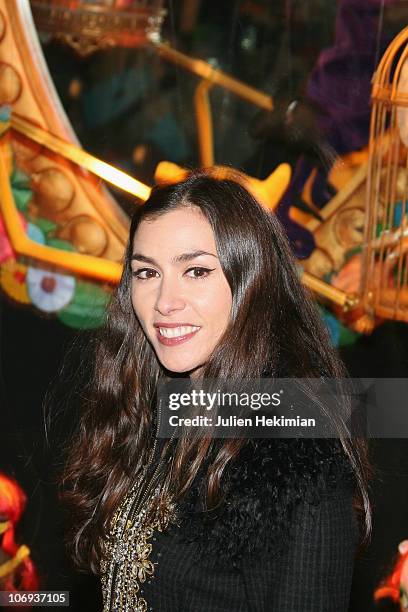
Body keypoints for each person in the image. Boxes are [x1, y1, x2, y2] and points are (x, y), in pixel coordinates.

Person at [62, 168, 370, 611]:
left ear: (252, 282)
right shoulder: (153, 411)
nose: (165, 302)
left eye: (197, 271)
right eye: (147, 273)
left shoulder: (301, 459)